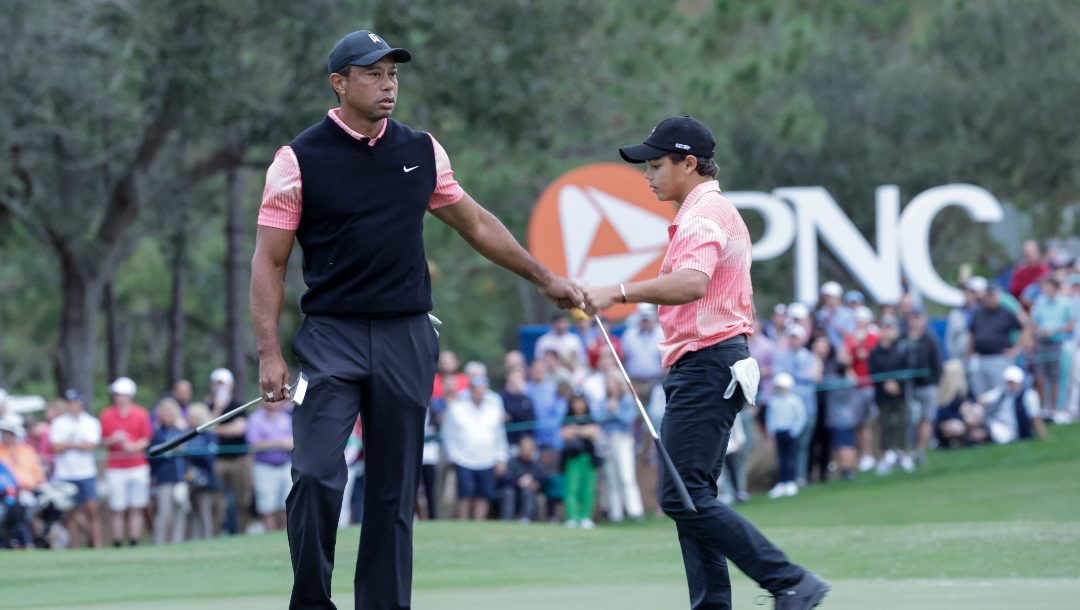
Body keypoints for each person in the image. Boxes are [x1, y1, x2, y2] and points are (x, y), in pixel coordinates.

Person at [250, 29, 581, 609]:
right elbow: (269, 260)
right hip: (331, 337)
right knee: (316, 474)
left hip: (407, 334)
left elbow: (476, 224)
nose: (388, 85)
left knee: (393, 492)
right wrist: (269, 352)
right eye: (373, 74)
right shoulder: (296, 160)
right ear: (340, 82)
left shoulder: (422, 150)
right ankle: (311, 601)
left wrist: (544, 276)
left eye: (393, 74)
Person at [582, 116, 828, 608]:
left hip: (708, 363)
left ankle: (789, 580)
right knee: (694, 496)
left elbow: (692, 282)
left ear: (688, 163)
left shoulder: (702, 217)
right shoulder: (705, 213)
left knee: (682, 496)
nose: (647, 176)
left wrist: (619, 291)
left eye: (655, 165)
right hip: (709, 364)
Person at [99, 377, 152, 547]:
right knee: (117, 506)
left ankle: (134, 540)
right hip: (116, 466)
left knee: (136, 506)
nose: (119, 398)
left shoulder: (141, 413)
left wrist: (134, 446)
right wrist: (113, 439)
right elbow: (101, 441)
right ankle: (117, 541)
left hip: (137, 464)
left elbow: (146, 438)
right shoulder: (107, 415)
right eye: (117, 395)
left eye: (122, 395)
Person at [49, 389, 103, 548]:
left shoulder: (91, 422)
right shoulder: (59, 423)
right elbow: (57, 447)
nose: (72, 406)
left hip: (86, 472)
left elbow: (91, 445)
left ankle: (96, 545)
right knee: (70, 513)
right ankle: (75, 546)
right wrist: (78, 445)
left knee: (92, 509)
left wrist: (69, 445)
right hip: (66, 473)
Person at [591, 373, 644, 523]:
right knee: (611, 477)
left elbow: (629, 419)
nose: (610, 385)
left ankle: (635, 511)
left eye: (612, 382)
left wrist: (615, 411)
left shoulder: (626, 399)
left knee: (626, 476)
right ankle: (616, 514)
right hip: (607, 439)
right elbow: (598, 417)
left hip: (622, 439)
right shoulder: (603, 401)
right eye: (608, 382)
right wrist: (609, 411)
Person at [206, 368, 251, 536]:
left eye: (223, 383)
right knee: (217, 501)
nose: (220, 386)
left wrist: (215, 428)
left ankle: (241, 533)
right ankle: (216, 534)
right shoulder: (208, 406)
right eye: (217, 383)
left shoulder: (238, 405)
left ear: (231, 385)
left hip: (239, 459)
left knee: (242, 500)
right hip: (217, 460)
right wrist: (217, 408)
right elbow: (205, 428)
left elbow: (238, 429)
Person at [868, 317, 913, 475]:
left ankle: (903, 453)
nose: (888, 331)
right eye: (885, 328)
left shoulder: (901, 348)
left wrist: (897, 384)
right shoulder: (875, 352)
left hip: (899, 394)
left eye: (890, 328)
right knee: (885, 424)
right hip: (883, 395)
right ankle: (887, 455)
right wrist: (885, 384)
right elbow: (873, 372)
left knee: (902, 423)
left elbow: (907, 368)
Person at [245, 398, 294, 533]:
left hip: (285, 465)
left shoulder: (286, 418)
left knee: (286, 504)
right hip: (264, 467)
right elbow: (254, 444)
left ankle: (284, 535)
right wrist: (278, 443)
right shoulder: (255, 419)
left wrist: (288, 443)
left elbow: (293, 441)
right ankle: (271, 536)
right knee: (267, 507)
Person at [902, 307, 943, 465]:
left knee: (926, 418)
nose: (915, 321)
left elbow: (937, 363)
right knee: (911, 419)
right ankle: (908, 450)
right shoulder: (904, 338)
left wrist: (934, 382)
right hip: (909, 387)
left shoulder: (929, 338)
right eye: (912, 317)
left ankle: (920, 450)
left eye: (918, 317)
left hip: (927, 385)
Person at [968, 285, 1024, 398]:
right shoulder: (978, 313)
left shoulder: (1006, 313)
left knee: (1000, 393)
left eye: (992, 295)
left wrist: (1016, 349)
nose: (990, 298)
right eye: (988, 295)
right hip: (980, 358)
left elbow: (1023, 328)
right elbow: (972, 335)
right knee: (980, 394)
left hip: (999, 358)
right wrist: (969, 355)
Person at [149, 398, 189, 544]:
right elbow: (153, 456)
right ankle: (159, 542)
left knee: (181, 510)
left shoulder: (180, 432)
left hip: (180, 477)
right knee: (164, 513)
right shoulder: (157, 434)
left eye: (170, 412)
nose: (167, 416)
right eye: (164, 412)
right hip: (164, 477)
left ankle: (177, 541)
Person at [1031, 277, 1073, 414]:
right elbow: (1034, 322)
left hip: (1056, 343)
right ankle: (1042, 410)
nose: (1045, 290)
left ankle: (1054, 410)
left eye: (1047, 287)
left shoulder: (1065, 303)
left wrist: (1055, 330)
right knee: (1040, 377)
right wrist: (1039, 331)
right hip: (1041, 343)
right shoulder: (1040, 302)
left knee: (1055, 377)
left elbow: (1070, 324)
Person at [560, 392, 600, 529]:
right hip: (572, 458)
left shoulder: (590, 417)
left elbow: (594, 432)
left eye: (581, 401)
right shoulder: (567, 418)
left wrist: (576, 430)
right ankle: (572, 516)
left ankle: (585, 517)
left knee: (588, 489)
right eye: (575, 401)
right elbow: (564, 434)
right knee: (572, 488)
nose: (578, 405)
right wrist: (583, 431)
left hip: (588, 457)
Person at [979, 366, 1048, 444]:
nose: (1010, 386)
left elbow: (1035, 417)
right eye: (1008, 382)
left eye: (1012, 383)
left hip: (1017, 430)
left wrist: (1043, 434)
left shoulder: (1029, 395)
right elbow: (983, 399)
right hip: (999, 425)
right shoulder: (1002, 392)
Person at [766, 373, 806, 499]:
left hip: (790, 432)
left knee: (791, 458)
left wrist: (795, 431)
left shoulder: (794, 400)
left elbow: (800, 417)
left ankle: (791, 481)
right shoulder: (774, 401)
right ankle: (782, 483)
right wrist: (771, 431)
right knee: (782, 459)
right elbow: (770, 418)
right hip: (779, 432)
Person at [184, 402, 220, 540]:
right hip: (190, 478)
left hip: (205, 479)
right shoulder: (188, 433)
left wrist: (189, 451)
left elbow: (209, 456)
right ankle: (193, 538)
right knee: (192, 513)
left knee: (204, 511)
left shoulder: (209, 435)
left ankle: (207, 537)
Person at [620, 303, 666, 398]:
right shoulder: (629, 335)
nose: (645, 322)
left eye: (647, 319)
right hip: (634, 381)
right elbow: (623, 358)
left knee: (656, 412)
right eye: (643, 319)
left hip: (656, 382)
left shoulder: (661, 334)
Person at [496, 435, 546, 522]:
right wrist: (519, 482)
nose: (527, 449)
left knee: (529, 492)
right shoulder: (512, 462)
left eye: (529, 447)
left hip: (528, 494)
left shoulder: (537, 464)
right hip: (512, 493)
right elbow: (504, 479)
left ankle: (526, 519)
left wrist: (535, 482)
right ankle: (507, 518)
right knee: (508, 492)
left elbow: (544, 479)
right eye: (524, 446)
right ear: (519, 448)